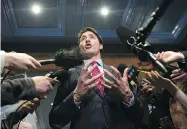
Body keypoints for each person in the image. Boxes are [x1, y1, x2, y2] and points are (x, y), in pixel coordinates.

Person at [49, 27, 143, 129]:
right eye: (83, 39)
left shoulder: (117, 75)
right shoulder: (69, 74)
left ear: (101, 45)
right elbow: (55, 121)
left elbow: (137, 117)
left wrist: (128, 96)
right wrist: (75, 96)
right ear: (80, 48)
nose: (87, 40)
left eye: (92, 37)